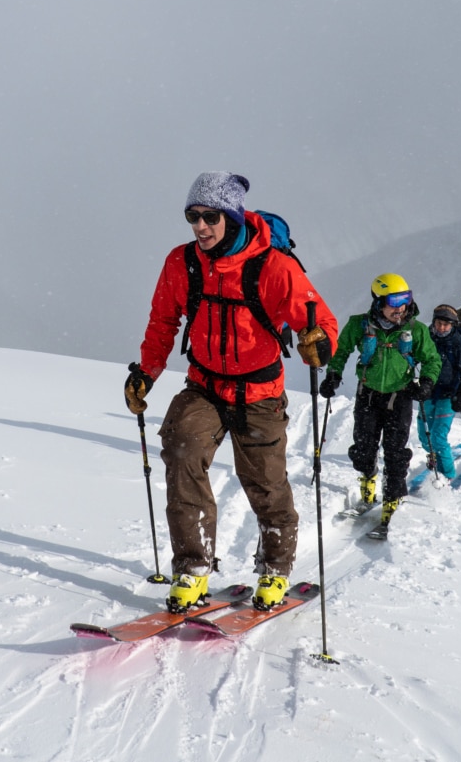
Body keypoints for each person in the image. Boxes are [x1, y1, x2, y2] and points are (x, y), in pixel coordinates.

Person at [124, 172, 338, 614]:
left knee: (265, 483)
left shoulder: (274, 266)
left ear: (233, 217)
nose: (200, 227)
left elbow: (321, 323)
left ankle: (275, 571)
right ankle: (192, 568)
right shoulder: (181, 263)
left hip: (259, 391)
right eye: (192, 217)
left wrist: (320, 342)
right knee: (182, 452)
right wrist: (146, 373)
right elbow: (164, 321)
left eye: (210, 217)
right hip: (204, 384)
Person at [319, 273, 441, 532]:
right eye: (394, 301)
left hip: (401, 395)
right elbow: (341, 351)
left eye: (405, 299)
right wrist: (333, 374)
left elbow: (432, 359)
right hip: (368, 394)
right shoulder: (359, 325)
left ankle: (392, 498)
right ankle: (369, 481)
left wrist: (427, 382)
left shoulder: (415, 330)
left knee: (396, 452)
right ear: (378, 301)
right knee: (364, 447)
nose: (401, 308)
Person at [416, 304, 461, 482]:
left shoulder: (458, 345)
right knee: (424, 437)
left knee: (438, 437)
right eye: (439, 323)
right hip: (428, 393)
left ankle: (447, 476)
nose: (441, 328)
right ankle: (435, 457)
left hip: (449, 395)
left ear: (453, 325)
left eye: (446, 324)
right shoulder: (426, 339)